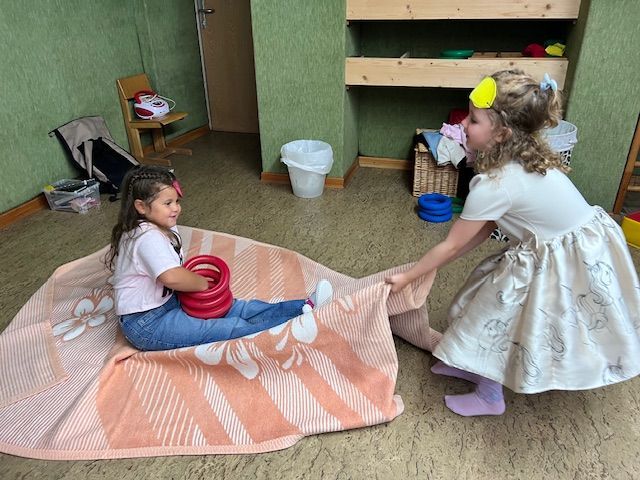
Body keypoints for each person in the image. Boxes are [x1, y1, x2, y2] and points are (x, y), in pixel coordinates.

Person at [386, 70, 640, 417]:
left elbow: (452, 245)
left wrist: (408, 276)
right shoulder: (519, 160)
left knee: (499, 320)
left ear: (502, 134)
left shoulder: (496, 185)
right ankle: (471, 364)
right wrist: (434, 264)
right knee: (480, 303)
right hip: (565, 246)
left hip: (564, 262)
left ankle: (490, 395)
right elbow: (479, 230)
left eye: (473, 120)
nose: (463, 124)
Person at [106, 165, 333, 351]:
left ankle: (304, 306)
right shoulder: (145, 237)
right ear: (141, 207)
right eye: (167, 204)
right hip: (147, 323)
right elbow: (172, 277)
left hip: (170, 301)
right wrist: (201, 283)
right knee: (227, 328)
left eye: (177, 201)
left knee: (238, 308)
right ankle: (295, 327)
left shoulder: (165, 225)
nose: (176, 208)